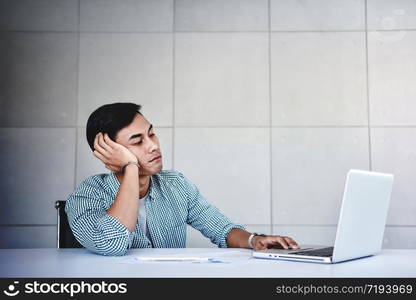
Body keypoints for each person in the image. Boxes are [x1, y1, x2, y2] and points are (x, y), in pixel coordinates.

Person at [66, 102, 299, 256]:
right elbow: (111, 244)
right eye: (137, 141)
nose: (153, 145)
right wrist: (130, 167)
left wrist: (253, 241)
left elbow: (222, 230)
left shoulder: (175, 184)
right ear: (108, 151)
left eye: (151, 133)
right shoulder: (87, 195)